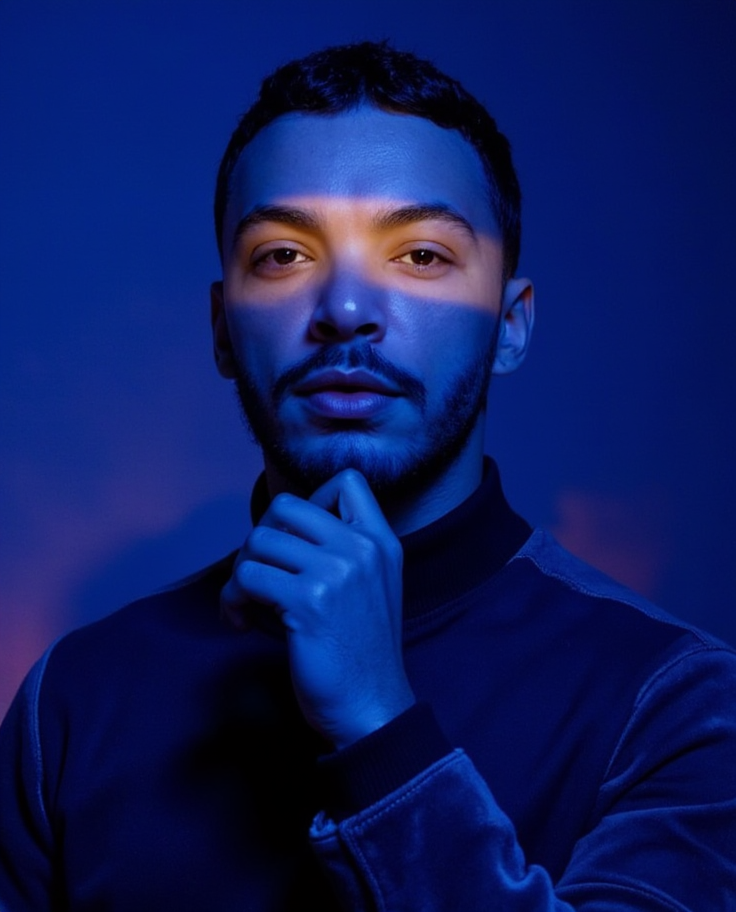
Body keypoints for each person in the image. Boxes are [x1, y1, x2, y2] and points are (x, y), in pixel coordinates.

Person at [0, 41, 734, 912]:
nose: (345, 311)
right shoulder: (74, 702)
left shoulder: (680, 704)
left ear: (509, 325)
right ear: (223, 330)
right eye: (284, 255)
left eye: (420, 255)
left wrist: (380, 730)